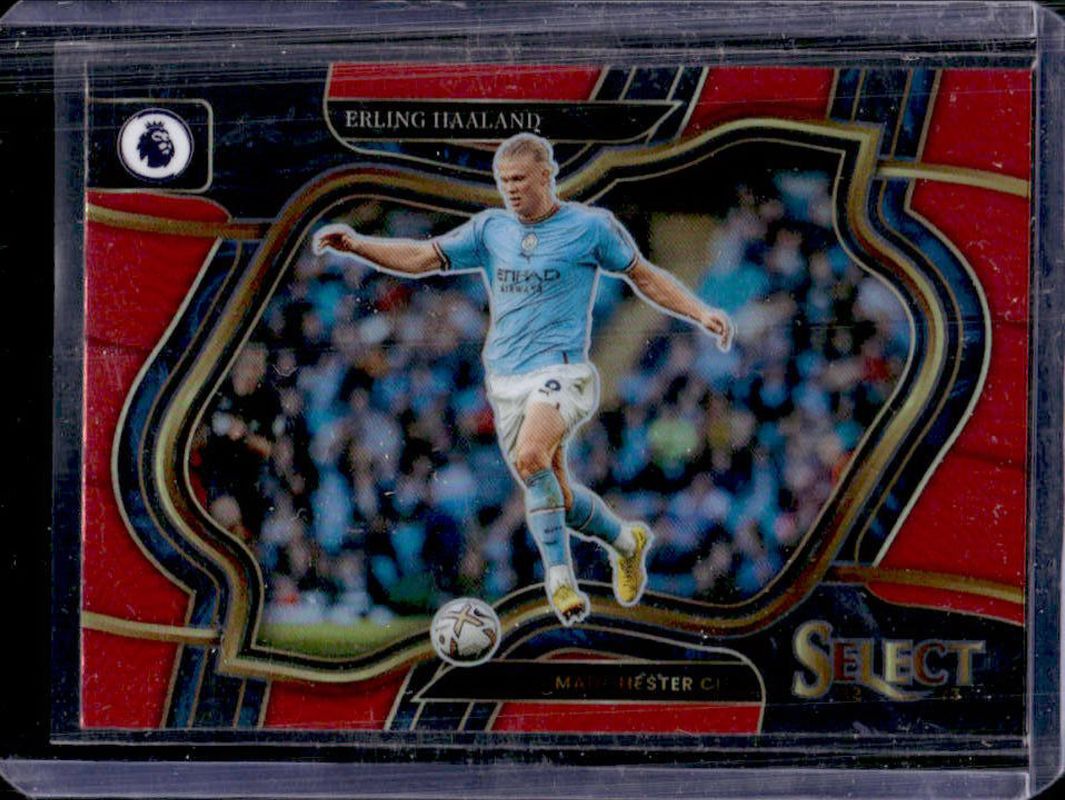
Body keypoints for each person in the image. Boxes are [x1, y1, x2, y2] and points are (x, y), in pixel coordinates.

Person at [314, 132, 732, 626]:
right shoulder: (491, 229)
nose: (510, 189)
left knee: (532, 457)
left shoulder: (590, 227)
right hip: (506, 383)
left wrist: (699, 311)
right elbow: (424, 257)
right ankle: (626, 541)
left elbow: (643, 276)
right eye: (504, 180)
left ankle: (559, 580)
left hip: (562, 373)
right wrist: (358, 245)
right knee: (559, 497)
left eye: (519, 179)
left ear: (547, 176)